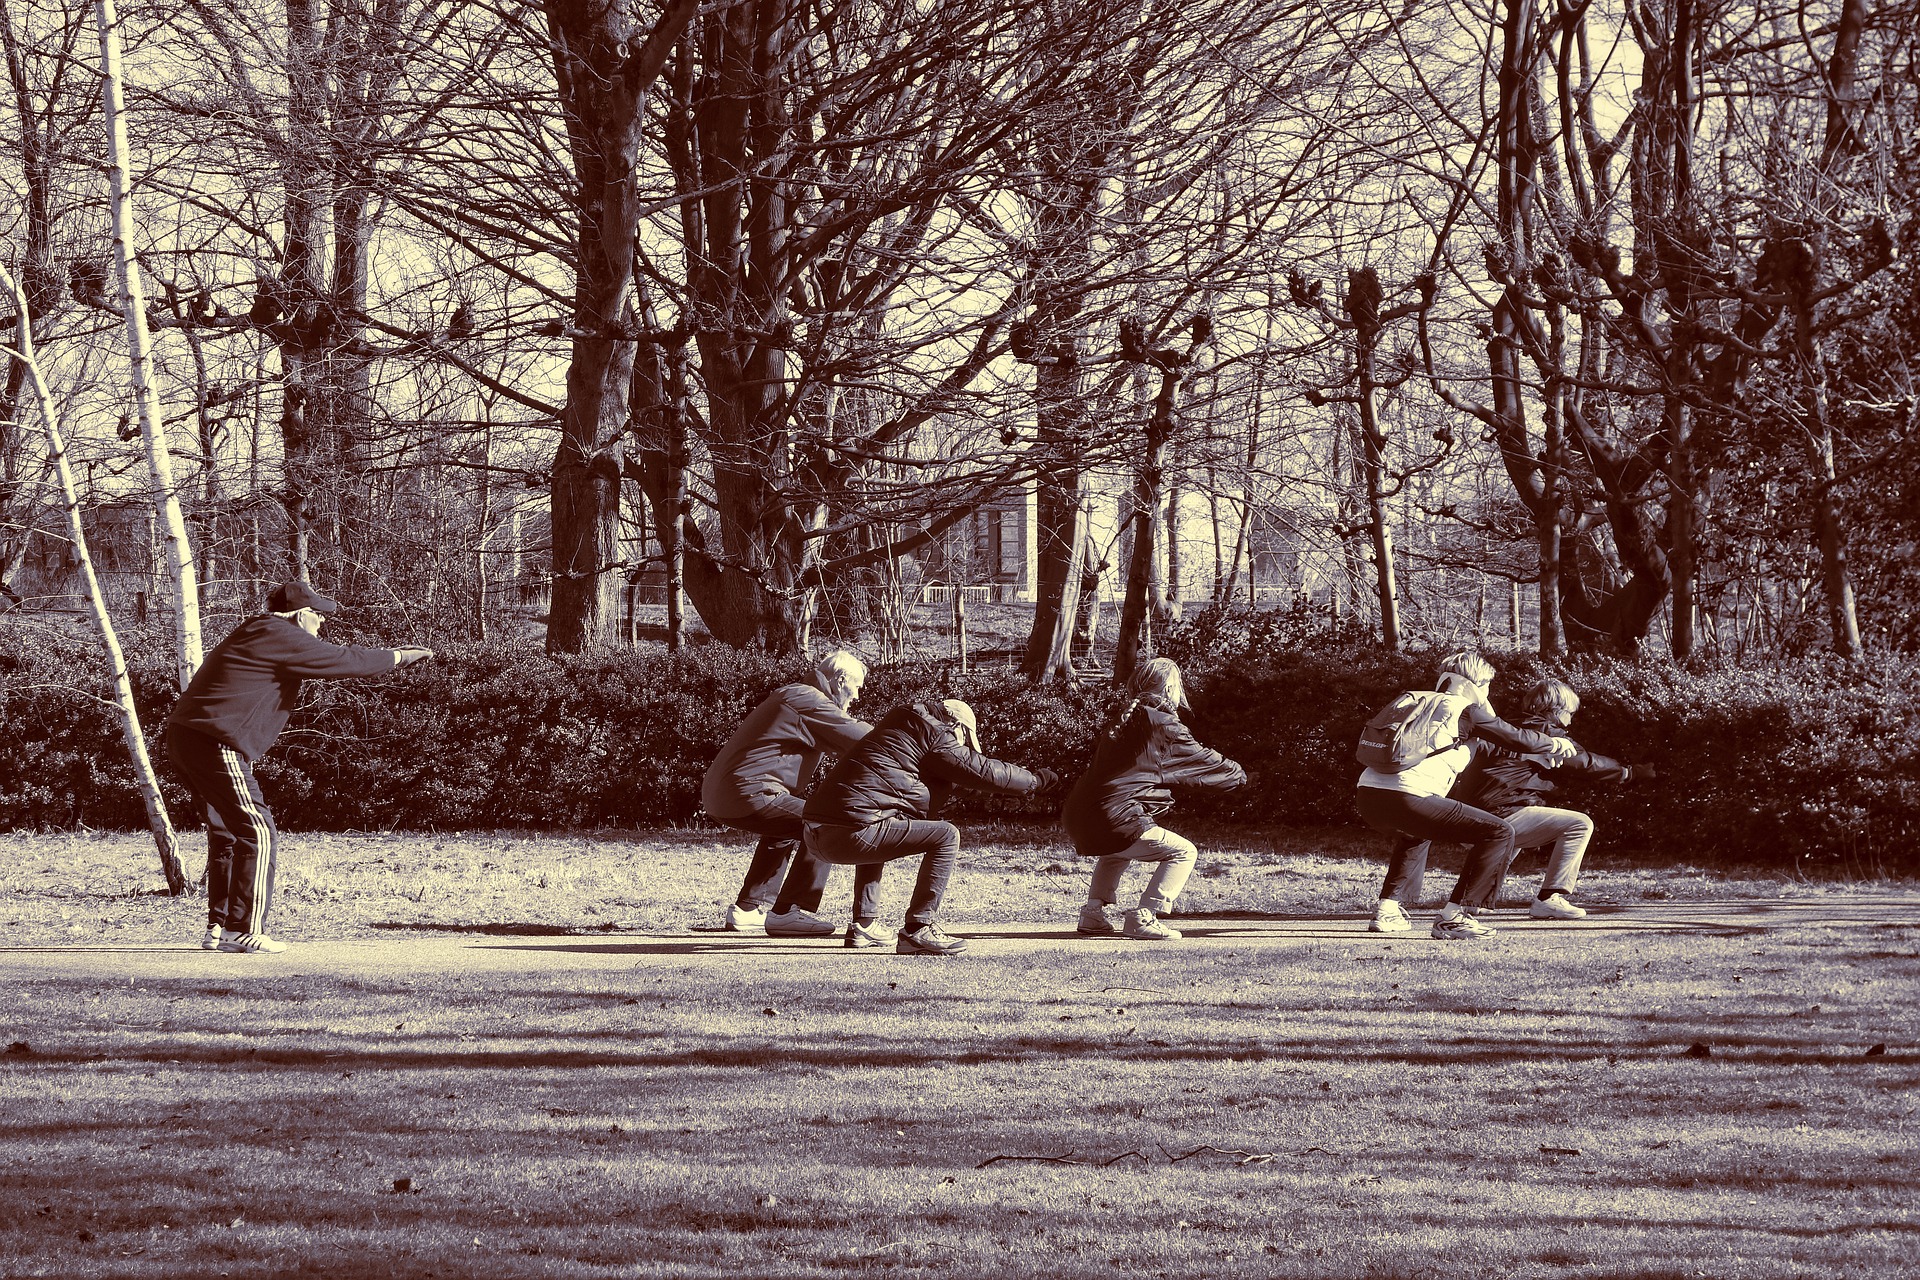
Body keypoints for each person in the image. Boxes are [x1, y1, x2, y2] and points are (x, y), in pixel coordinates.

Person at [165, 580, 433, 954]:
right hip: (215, 740)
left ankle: (221, 925)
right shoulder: (278, 633)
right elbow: (345, 660)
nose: (321, 625)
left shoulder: (255, 631)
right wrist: (400, 656)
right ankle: (243, 930)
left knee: (227, 832)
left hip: (187, 737)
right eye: (319, 616)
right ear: (301, 614)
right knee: (258, 831)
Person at [802, 698, 1057, 956]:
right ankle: (918, 928)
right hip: (850, 834)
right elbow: (981, 770)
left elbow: (953, 781)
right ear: (955, 724)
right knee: (946, 834)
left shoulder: (902, 729)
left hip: (815, 834)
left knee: (882, 820)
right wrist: (1033, 781)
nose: (962, 746)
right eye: (963, 739)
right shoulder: (936, 733)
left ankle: (864, 924)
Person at [1354, 652, 1574, 940]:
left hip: (1368, 795)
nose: (1488, 692)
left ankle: (1387, 911)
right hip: (1409, 795)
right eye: (1487, 685)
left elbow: (1488, 744)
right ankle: (1455, 916)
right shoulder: (1465, 709)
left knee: (1415, 833)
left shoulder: (1419, 700)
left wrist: (1536, 753)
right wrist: (1553, 743)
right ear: (1477, 683)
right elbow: (1515, 736)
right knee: (1498, 832)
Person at [1063, 657, 1245, 941]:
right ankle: (1145, 916)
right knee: (1184, 852)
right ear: (1171, 688)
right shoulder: (1164, 725)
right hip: (1114, 816)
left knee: (1116, 852)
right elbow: (1203, 762)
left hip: (1078, 813)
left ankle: (1092, 914)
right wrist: (1241, 774)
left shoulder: (1124, 719)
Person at [701, 651, 871, 937]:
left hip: (726, 793)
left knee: (787, 824)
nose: (856, 697)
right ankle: (789, 911)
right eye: (857, 688)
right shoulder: (808, 700)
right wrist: (909, 739)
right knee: (827, 822)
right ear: (841, 681)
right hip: (749, 792)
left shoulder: (799, 696)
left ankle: (748, 909)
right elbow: (863, 738)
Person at [1453, 678, 1650, 920]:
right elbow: (1584, 763)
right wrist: (1629, 773)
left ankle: (1471, 900)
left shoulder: (1508, 727)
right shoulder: (1547, 733)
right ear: (1556, 711)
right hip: (1501, 811)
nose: (1571, 720)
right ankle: (1550, 898)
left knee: (1514, 835)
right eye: (1570, 713)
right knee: (1579, 824)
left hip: (1468, 814)